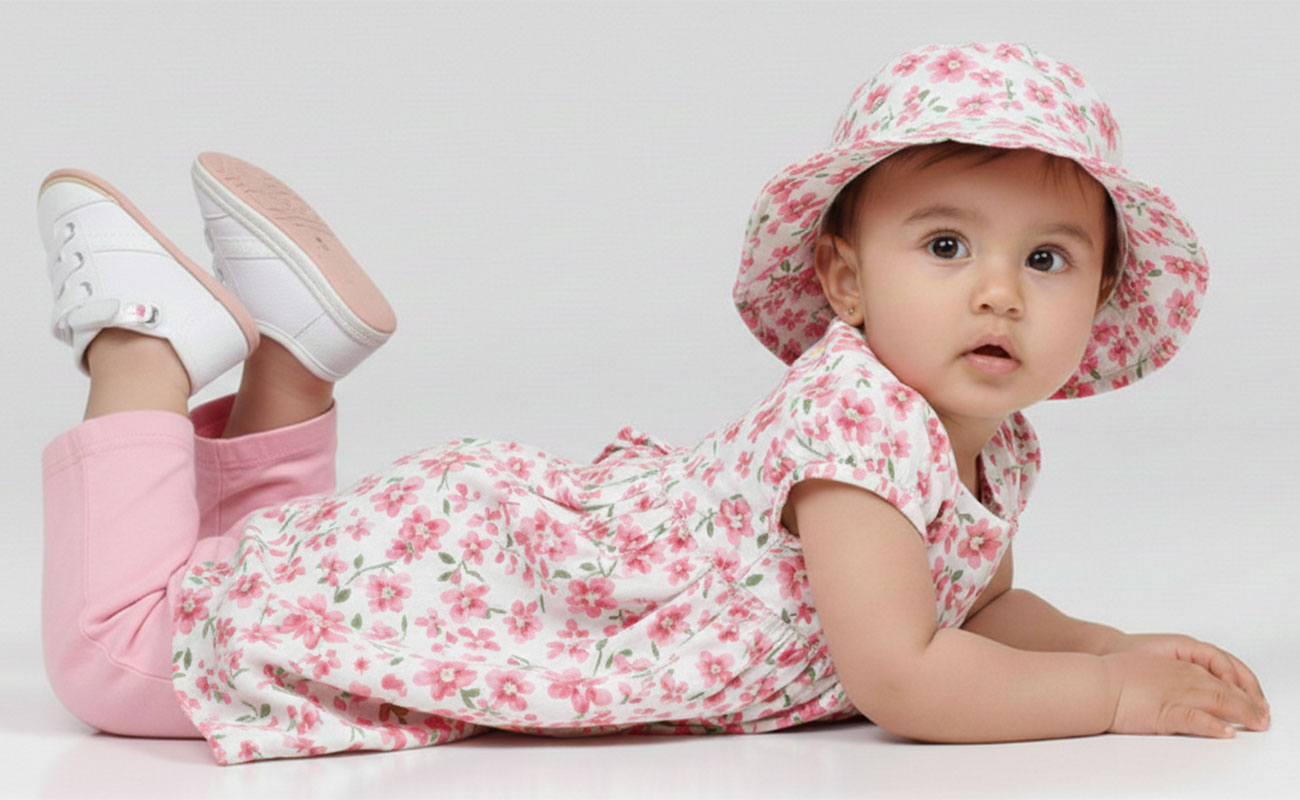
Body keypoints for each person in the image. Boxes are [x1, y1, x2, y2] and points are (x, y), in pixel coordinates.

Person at [38, 42, 1268, 765]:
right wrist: (1110, 701)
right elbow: (907, 672)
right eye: (946, 245)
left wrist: (1105, 641)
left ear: (1098, 302)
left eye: (1045, 261)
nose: (998, 292)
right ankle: (140, 349)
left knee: (237, 570)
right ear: (841, 277)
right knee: (127, 655)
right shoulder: (855, 427)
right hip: (505, 584)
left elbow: (978, 603)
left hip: (486, 548)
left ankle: (285, 370)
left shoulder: (988, 448)